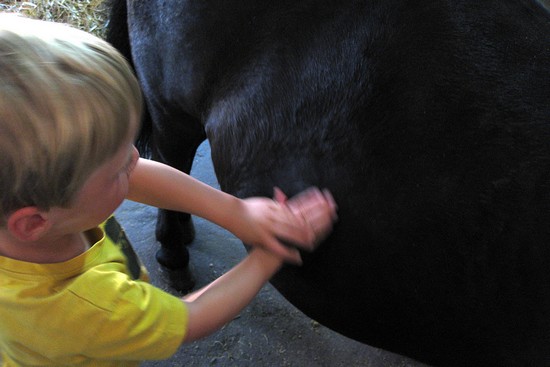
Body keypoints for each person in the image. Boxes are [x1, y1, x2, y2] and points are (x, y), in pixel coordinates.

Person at [0, 14, 338, 367]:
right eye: (116, 169)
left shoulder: (40, 211)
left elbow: (137, 175)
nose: (136, 157)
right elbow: (191, 318)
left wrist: (236, 213)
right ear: (33, 223)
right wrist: (268, 255)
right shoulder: (85, 307)